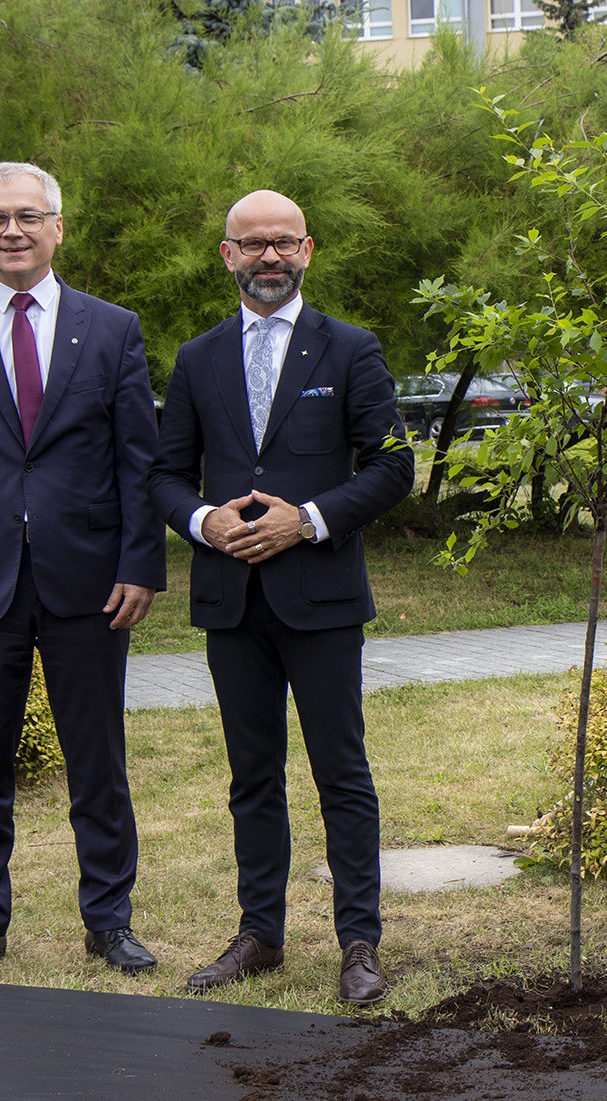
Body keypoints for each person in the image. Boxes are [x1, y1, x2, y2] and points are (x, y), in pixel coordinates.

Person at [0, 161, 166, 981]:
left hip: (89, 582)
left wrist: (140, 563)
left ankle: (109, 921)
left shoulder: (111, 328)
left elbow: (136, 463)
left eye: (28, 215)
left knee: (99, 763)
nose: (12, 230)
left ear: (58, 226)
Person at [148, 189, 414, 1003]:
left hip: (322, 598)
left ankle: (359, 941)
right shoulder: (197, 358)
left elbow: (392, 465)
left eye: (284, 243)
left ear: (308, 249)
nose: (270, 256)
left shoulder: (350, 349)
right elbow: (162, 472)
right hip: (233, 600)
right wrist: (202, 518)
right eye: (252, 243)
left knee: (343, 772)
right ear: (226, 254)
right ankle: (260, 933)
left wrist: (309, 519)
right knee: (251, 775)